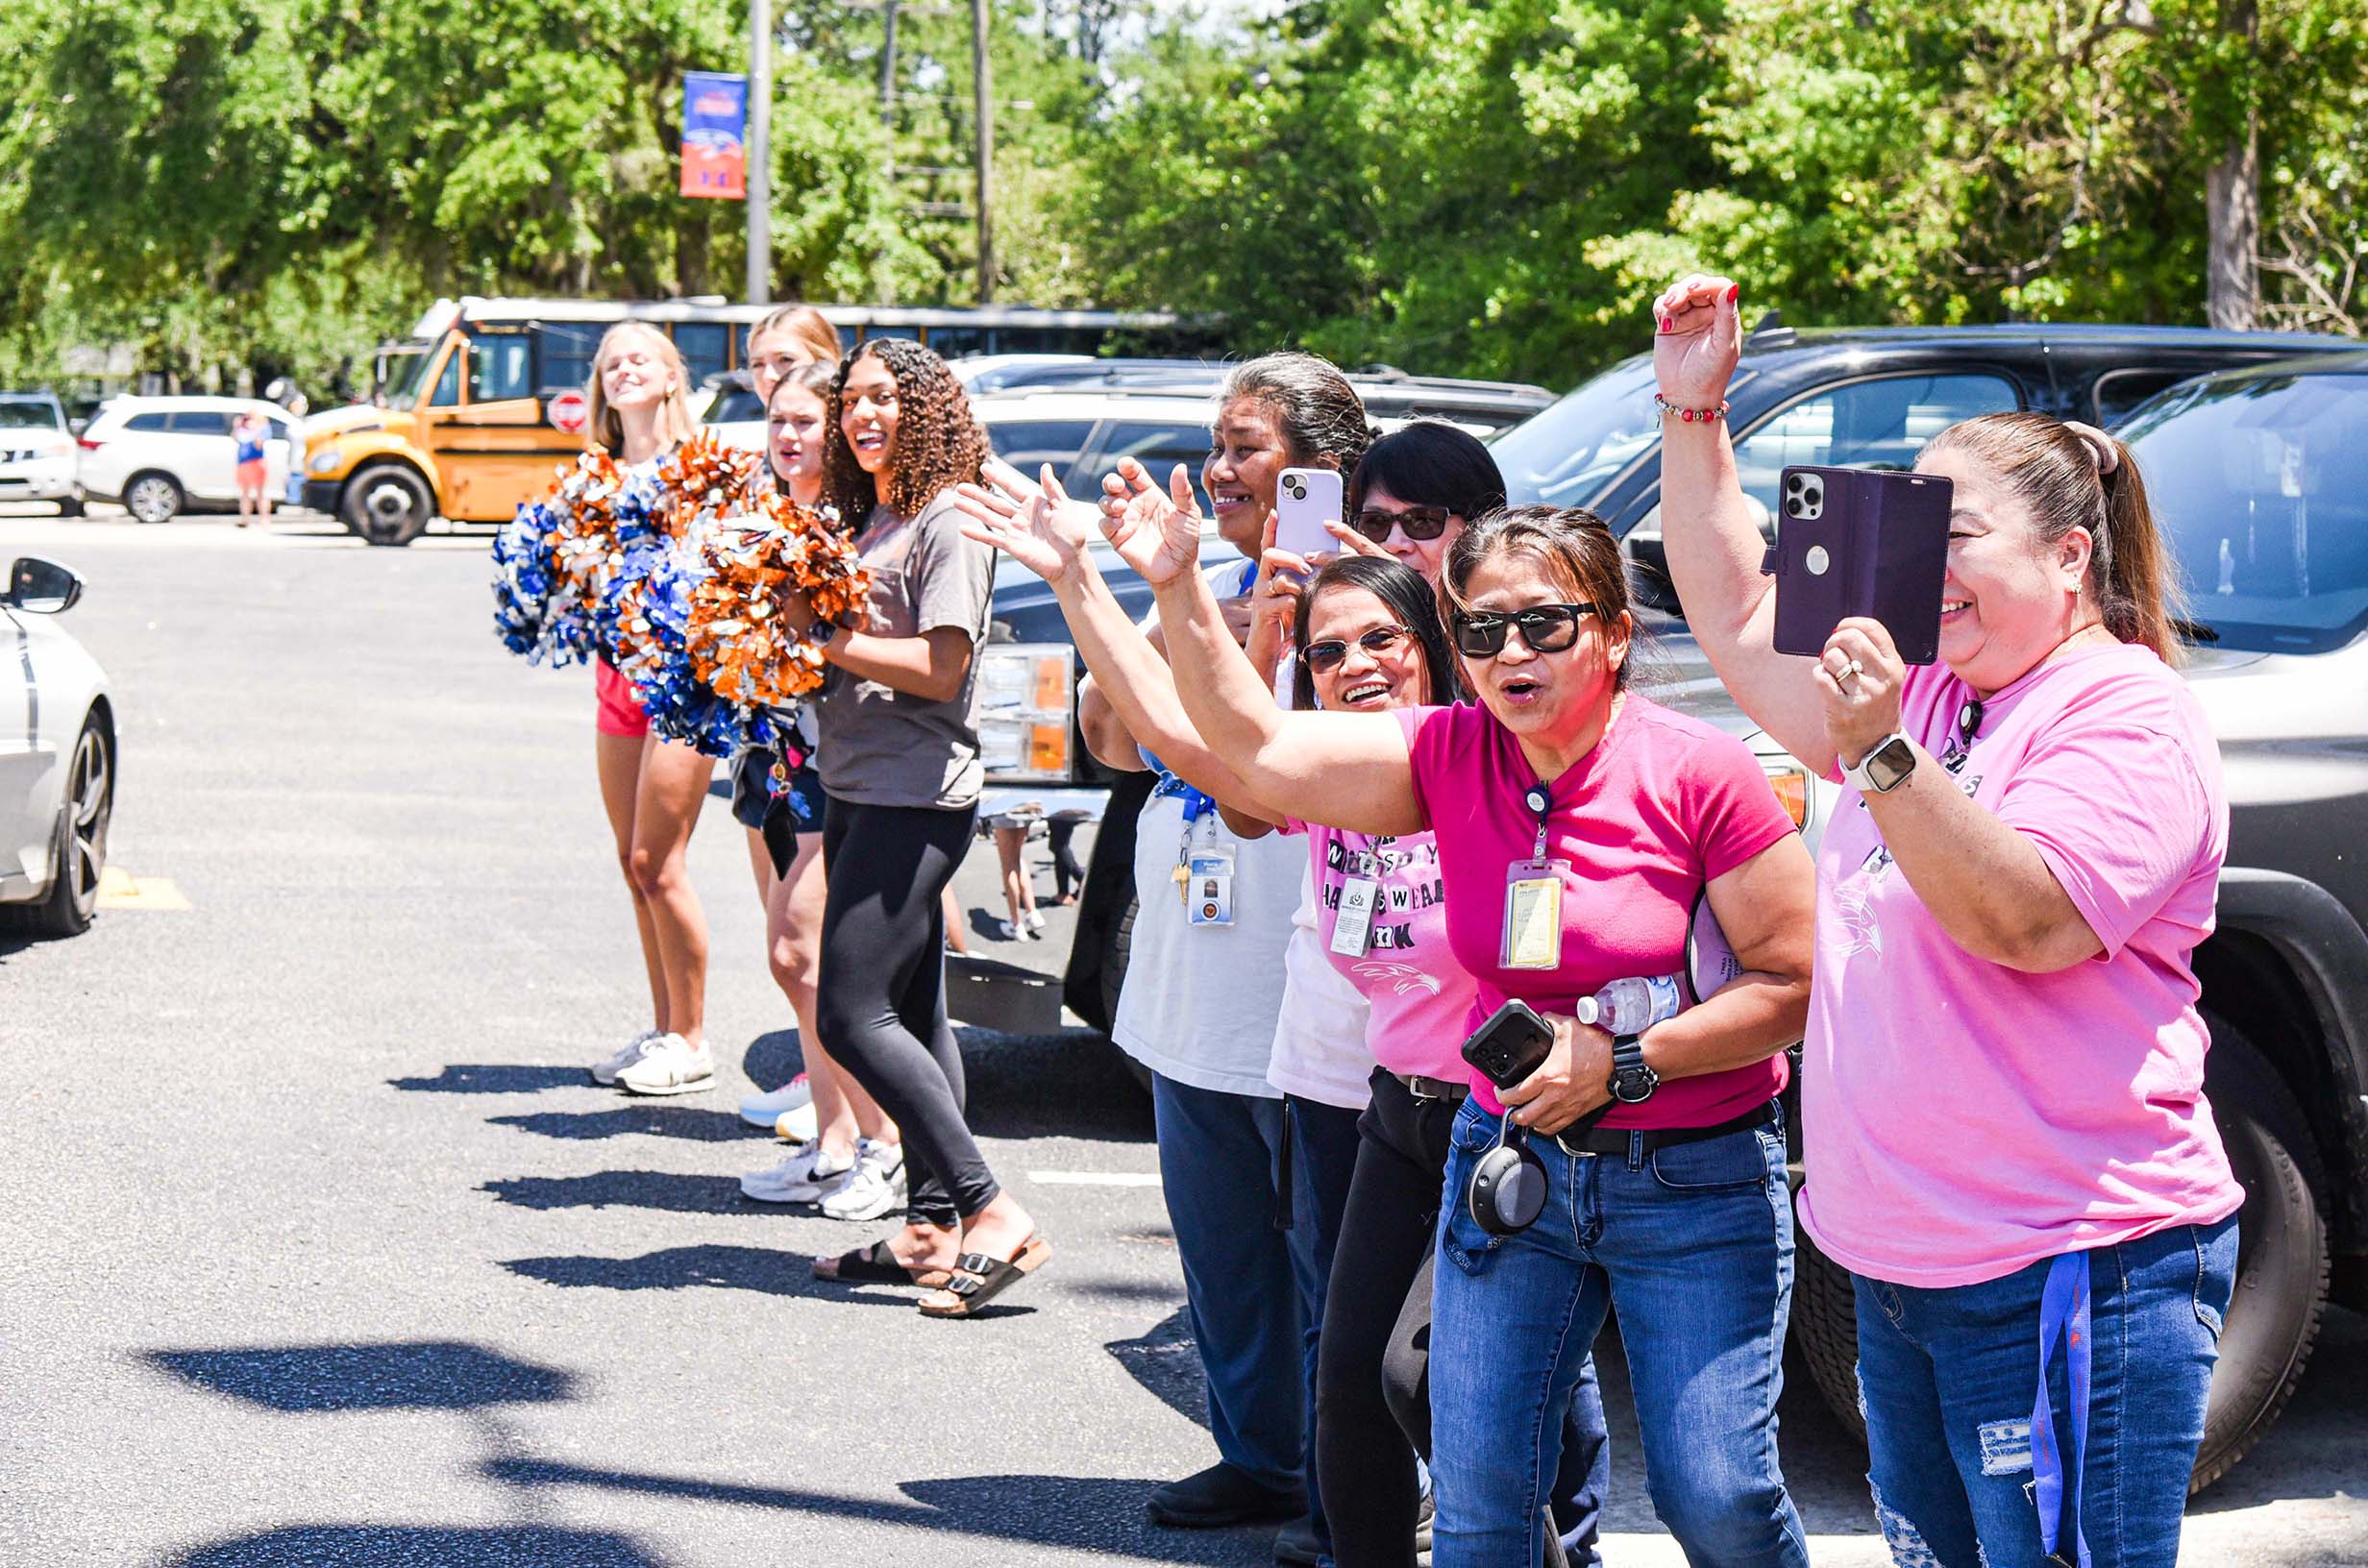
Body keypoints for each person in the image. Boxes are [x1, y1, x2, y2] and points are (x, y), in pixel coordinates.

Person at [1106, 461, 1820, 1567]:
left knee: (1713, 1497)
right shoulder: (1445, 755)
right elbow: (1253, 754)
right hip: (1511, 1165)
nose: (1510, 656)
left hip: (1691, 1176)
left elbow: (1794, 985)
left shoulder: (1702, 772)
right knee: (1480, 1506)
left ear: (1617, 632)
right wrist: (1178, 586)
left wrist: (1624, 1060)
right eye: (1483, 633)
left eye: (1542, 625)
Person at [1653, 273, 2242, 1568]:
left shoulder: (2127, 716)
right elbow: (1741, 613)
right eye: (1913, 525)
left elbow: (2025, 920)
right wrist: (1694, 418)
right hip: (1900, 1266)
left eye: (1956, 532)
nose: (1922, 558)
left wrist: (1876, 754)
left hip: (2065, 1264)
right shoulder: (1925, 684)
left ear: (2070, 555)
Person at [1017, 352, 1379, 1561]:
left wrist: (1280, 629)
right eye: (1217, 446)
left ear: (1321, 471)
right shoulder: (1199, 574)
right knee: (1223, 1249)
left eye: (1248, 447)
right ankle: (1258, 1458)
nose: (1221, 469)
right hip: (1190, 972)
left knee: (1329, 1261)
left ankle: (1361, 1480)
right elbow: (1117, 744)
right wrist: (1190, 608)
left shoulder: (1370, 611)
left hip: (1308, 984)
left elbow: (1271, 783)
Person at [781, 337, 1047, 1316]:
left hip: (917, 795)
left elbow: (942, 668)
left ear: (926, 407)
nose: (863, 414)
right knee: (915, 1013)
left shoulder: (949, 518)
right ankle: (932, 1229)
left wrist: (827, 639)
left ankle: (990, 1207)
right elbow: (845, 654)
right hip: (856, 783)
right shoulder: (872, 516)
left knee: (851, 1011)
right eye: (851, 399)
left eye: (885, 398)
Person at [733, 357, 909, 1222]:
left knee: (810, 957)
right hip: (783, 756)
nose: (792, 437)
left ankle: (885, 1146)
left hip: (845, 765)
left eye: (808, 420)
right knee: (793, 956)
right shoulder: (773, 519)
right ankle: (834, 1141)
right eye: (779, 423)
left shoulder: (848, 525)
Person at [578, 324, 724, 1098]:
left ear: (672, 376)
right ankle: (665, 1027)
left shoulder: (700, 469)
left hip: (685, 684)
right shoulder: (597, 472)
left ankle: (693, 1037)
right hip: (615, 678)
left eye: (641, 356)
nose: (624, 367)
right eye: (611, 361)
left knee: (657, 862)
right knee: (633, 866)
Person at [233, 411, 271, 528]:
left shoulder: (262, 430)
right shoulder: (242, 431)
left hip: (256, 463)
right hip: (243, 464)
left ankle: (264, 519)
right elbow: (235, 437)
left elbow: (259, 444)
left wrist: (256, 431)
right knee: (245, 493)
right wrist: (237, 426)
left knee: (260, 493)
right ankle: (245, 518)